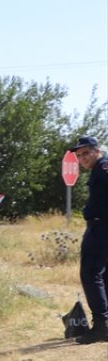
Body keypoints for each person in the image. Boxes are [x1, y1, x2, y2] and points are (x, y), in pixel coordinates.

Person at [70, 136, 108, 344]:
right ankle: (105, 324)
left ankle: (101, 326)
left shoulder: (103, 168)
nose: (81, 159)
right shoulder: (99, 169)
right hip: (100, 226)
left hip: (102, 227)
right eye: (78, 156)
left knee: (90, 274)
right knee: (103, 276)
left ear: (97, 150)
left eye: (85, 153)